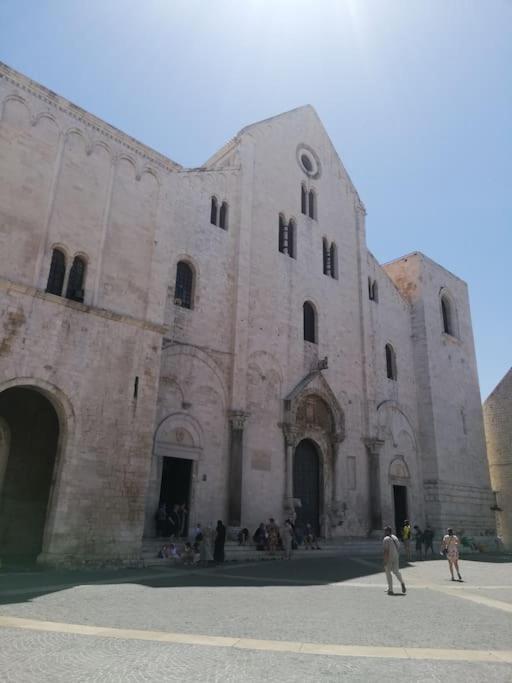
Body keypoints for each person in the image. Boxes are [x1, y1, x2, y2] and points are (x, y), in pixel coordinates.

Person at [383, 525, 406, 596]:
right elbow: (398, 547)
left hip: (389, 557)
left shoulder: (386, 539)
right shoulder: (395, 537)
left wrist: (385, 561)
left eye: (385, 531)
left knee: (388, 573)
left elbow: (386, 551)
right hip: (396, 556)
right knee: (396, 571)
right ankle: (402, 582)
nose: (384, 532)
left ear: (387, 531)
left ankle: (390, 589)